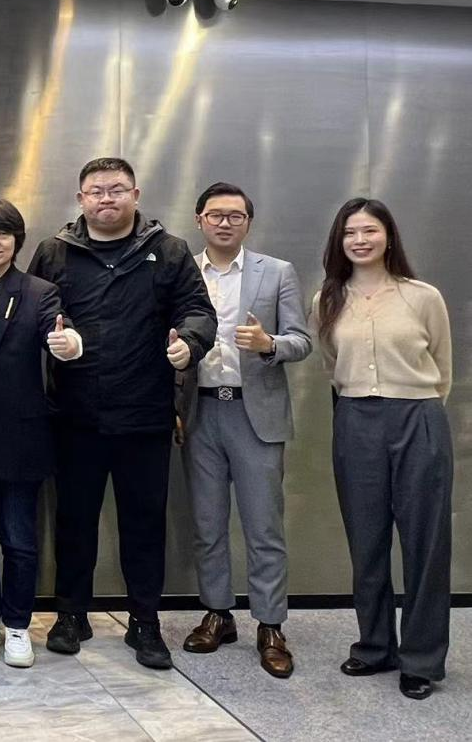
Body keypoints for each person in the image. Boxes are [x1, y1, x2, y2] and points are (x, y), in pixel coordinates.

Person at [27, 157, 215, 669]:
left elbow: (198, 310)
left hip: (144, 414)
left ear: (135, 194)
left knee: (144, 524)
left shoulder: (168, 250)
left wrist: (190, 343)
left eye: (116, 189)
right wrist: (57, 335)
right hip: (74, 414)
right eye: (96, 191)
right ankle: (71, 614)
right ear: (80, 198)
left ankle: (145, 622)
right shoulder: (55, 251)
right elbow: (35, 310)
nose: (106, 198)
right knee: (74, 522)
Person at [313, 198, 453, 701]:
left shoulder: (422, 296)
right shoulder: (327, 299)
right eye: (350, 232)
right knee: (366, 540)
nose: (360, 240)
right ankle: (375, 646)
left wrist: (414, 408)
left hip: (418, 417)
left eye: (369, 230)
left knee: (425, 543)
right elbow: (332, 365)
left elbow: (442, 366)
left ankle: (421, 659)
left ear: (388, 236)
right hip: (355, 419)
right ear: (339, 240)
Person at [176, 182, 311, 678]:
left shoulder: (276, 272)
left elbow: (302, 341)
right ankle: (217, 613)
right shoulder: (183, 271)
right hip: (200, 412)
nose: (225, 223)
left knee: (264, 526)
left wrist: (268, 343)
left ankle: (270, 624)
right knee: (207, 523)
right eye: (215, 214)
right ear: (199, 220)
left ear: (248, 222)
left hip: (256, 415)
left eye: (235, 215)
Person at [0, 199, 82, 669]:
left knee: (19, 540)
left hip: (20, 436)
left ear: (17, 240)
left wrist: (69, 344)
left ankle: (17, 624)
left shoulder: (38, 292)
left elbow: (62, 334)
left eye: (3, 233)